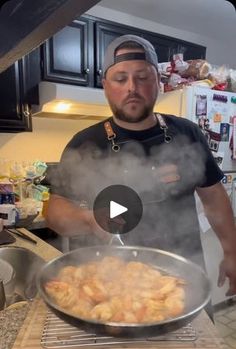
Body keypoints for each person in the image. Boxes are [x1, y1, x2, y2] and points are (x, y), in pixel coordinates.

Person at [46, 34, 236, 298]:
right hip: (113, 286)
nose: (132, 87)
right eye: (120, 78)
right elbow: (54, 211)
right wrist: (88, 220)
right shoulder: (84, 144)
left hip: (184, 282)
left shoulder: (188, 133)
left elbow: (214, 198)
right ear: (105, 85)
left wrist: (232, 252)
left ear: (158, 82)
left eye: (143, 77)